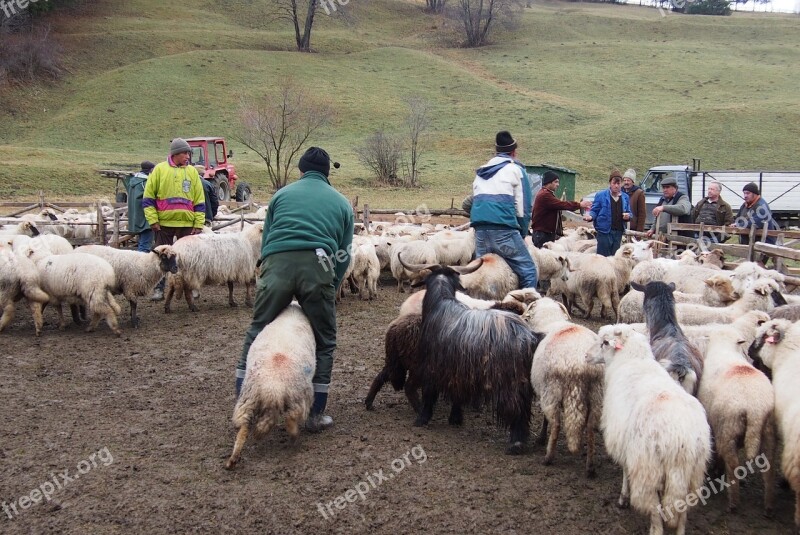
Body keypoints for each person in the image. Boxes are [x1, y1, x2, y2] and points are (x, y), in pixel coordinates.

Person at [237, 146, 353, 432]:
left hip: (277, 264)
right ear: (327, 174)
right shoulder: (341, 203)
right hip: (318, 267)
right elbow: (345, 252)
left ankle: (244, 402)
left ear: (300, 171)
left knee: (258, 328)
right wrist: (332, 286)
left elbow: (266, 240)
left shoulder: (280, 195)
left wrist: (268, 269)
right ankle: (314, 414)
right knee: (325, 339)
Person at [470, 131, 538, 289]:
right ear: (513, 152)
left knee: (484, 272)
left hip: (480, 231)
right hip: (504, 229)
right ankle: (525, 307)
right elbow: (523, 208)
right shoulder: (516, 170)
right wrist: (521, 233)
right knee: (528, 270)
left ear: (496, 151)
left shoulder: (480, 173)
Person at [143, 138, 206, 300]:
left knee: (190, 259)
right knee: (161, 259)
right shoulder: (159, 170)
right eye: (185, 153)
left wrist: (198, 223)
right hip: (163, 224)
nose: (188, 156)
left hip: (187, 224)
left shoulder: (192, 172)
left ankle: (193, 287)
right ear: (176, 153)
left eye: (188, 153)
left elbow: (199, 200)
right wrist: (153, 220)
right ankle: (158, 289)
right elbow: (148, 198)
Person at [531, 170, 591, 249]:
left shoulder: (546, 193)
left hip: (544, 233)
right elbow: (562, 204)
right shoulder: (545, 195)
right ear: (549, 182)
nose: (558, 185)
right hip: (542, 234)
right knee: (543, 258)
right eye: (556, 182)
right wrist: (579, 205)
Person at [583, 169, 631, 256]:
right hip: (604, 232)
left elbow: (629, 212)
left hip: (618, 232)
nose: (616, 186)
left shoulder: (625, 197)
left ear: (621, 184)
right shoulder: (601, 195)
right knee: (603, 257)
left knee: (614, 257)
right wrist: (590, 217)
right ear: (610, 183)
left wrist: (628, 216)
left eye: (618, 183)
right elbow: (595, 210)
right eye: (614, 183)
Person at [733, 182, 778, 246]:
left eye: (748, 193)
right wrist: (735, 223)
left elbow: (753, 223)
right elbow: (738, 218)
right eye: (744, 193)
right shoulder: (745, 205)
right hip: (749, 242)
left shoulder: (761, 207)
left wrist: (738, 225)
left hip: (763, 244)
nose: (745, 196)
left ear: (755, 194)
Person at [123, 161, 155, 252]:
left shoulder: (132, 181)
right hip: (145, 218)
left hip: (135, 217)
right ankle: (142, 265)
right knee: (145, 245)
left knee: (142, 242)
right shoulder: (145, 182)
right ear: (151, 169)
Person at [622, 168, 646, 233]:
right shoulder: (619, 192)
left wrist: (639, 232)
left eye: (628, 180)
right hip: (620, 228)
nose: (626, 182)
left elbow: (642, 214)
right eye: (624, 180)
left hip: (633, 229)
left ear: (633, 182)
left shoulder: (639, 193)